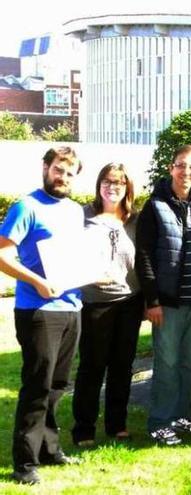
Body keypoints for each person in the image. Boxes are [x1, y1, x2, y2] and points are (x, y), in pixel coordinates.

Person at [0, 147, 84, 485]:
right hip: (38, 310)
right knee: (37, 384)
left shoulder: (75, 211)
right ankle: (25, 462)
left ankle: (50, 449)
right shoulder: (26, 207)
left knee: (58, 384)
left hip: (72, 307)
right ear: (45, 168)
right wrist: (38, 281)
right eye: (58, 170)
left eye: (70, 172)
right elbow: (4, 256)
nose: (63, 177)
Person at [136, 145, 191, 445]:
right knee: (166, 364)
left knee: (186, 364)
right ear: (171, 168)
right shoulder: (154, 207)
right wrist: (152, 301)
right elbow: (144, 256)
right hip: (167, 303)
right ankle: (159, 422)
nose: (186, 172)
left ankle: (179, 416)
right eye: (181, 165)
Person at [72, 163, 143, 447]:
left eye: (119, 182)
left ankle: (117, 424)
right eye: (107, 181)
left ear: (127, 188)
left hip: (129, 301)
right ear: (99, 184)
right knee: (92, 365)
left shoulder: (135, 219)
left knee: (122, 365)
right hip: (94, 302)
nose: (113, 187)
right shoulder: (83, 216)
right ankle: (84, 428)